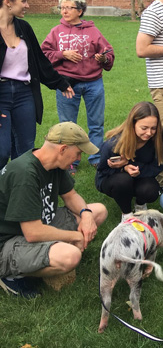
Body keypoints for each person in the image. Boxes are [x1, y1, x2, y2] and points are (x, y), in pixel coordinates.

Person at [0, 122, 107, 298]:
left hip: (36, 223)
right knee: (71, 257)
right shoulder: (25, 174)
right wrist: (75, 236)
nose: (79, 158)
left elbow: (71, 195)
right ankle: (10, 275)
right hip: (7, 242)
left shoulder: (53, 164)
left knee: (98, 211)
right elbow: (33, 233)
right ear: (63, 149)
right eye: (78, 153)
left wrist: (86, 216)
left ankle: (45, 254)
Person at [0, 0, 74, 170]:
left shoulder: (24, 28)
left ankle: (19, 190)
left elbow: (40, 62)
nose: (27, 5)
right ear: (8, 2)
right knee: (2, 150)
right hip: (1, 95)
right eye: (23, 1)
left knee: (25, 149)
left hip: (25, 94)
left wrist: (60, 83)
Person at [41, 0, 115, 172]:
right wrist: (62, 54)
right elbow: (43, 54)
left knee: (96, 123)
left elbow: (109, 52)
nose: (64, 11)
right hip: (67, 84)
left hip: (93, 82)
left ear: (80, 11)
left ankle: (96, 157)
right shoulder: (56, 32)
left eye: (69, 7)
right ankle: (70, 161)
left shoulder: (93, 31)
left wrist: (103, 59)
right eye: (62, 7)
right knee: (67, 125)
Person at [95, 102, 163, 221]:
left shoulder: (158, 141)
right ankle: (126, 214)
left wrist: (130, 166)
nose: (149, 133)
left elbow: (157, 167)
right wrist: (122, 169)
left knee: (150, 190)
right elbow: (102, 170)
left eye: (153, 128)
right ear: (132, 124)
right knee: (123, 181)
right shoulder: (113, 144)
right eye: (144, 128)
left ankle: (140, 205)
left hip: (141, 178)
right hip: (113, 179)